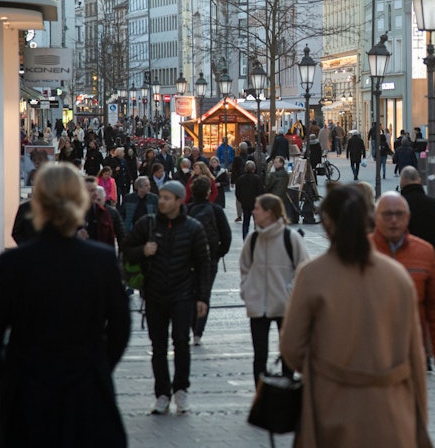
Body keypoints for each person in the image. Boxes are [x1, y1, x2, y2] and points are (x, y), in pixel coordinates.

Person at [0, 163, 130, 446]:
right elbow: (121, 327)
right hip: (88, 390)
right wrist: (99, 366)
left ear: (39, 204)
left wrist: (9, 374)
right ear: (80, 201)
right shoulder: (101, 260)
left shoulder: (14, 263)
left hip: (28, 391)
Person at [280, 184, 432, 448]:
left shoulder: (312, 276)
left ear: (327, 223)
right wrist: (419, 419)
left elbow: (291, 348)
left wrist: (323, 368)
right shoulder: (397, 276)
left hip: (331, 408)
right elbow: (415, 357)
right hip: (391, 411)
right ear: (370, 219)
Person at [120, 180, 212, 416]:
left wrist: (202, 298)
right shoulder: (148, 224)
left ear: (179, 201)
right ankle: (162, 394)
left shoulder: (193, 228)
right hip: (154, 294)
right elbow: (126, 248)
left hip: (183, 294)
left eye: (167, 197)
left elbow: (203, 264)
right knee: (158, 347)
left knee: (181, 342)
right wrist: (143, 251)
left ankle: (181, 390)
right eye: (160, 196)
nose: (161, 201)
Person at [372, 192, 435, 377]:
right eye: (387, 214)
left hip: (414, 352)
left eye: (399, 214)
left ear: (407, 218)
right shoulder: (362, 251)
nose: (393, 220)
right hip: (372, 356)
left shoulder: (424, 252)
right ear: (376, 218)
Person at [240, 193, 310, 384]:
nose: (253, 212)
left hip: (285, 305)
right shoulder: (253, 239)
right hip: (257, 304)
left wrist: (290, 293)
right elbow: (244, 267)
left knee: (287, 353)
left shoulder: (291, 237)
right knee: (259, 356)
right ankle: (260, 398)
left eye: (257, 208)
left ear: (269, 213)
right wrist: (247, 290)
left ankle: (287, 392)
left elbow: (304, 270)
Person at [185, 177, 232, 346]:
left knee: (190, 293)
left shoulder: (187, 210)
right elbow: (226, 236)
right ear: (208, 192)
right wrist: (218, 254)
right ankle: (198, 331)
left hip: (189, 259)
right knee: (205, 292)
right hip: (210, 258)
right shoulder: (216, 210)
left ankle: (192, 326)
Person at [399, 166, 435, 258]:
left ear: (401, 182)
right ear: (419, 180)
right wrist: (433, 253)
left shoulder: (398, 205)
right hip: (426, 257)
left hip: (402, 259)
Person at [236, 160, 264, 240]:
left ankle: (245, 239)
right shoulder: (257, 179)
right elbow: (261, 191)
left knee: (245, 223)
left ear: (245, 169)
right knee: (257, 222)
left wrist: (241, 200)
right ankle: (256, 238)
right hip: (256, 204)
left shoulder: (240, 179)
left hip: (245, 204)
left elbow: (238, 193)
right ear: (254, 169)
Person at [264, 156, 291, 221]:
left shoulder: (274, 175)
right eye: (274, 162)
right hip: (282, 198)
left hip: (273, 197)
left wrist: (268, 174)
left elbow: (268, 185)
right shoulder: (286, 174)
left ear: (281, 163)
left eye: (276, 162)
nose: (274, 164)